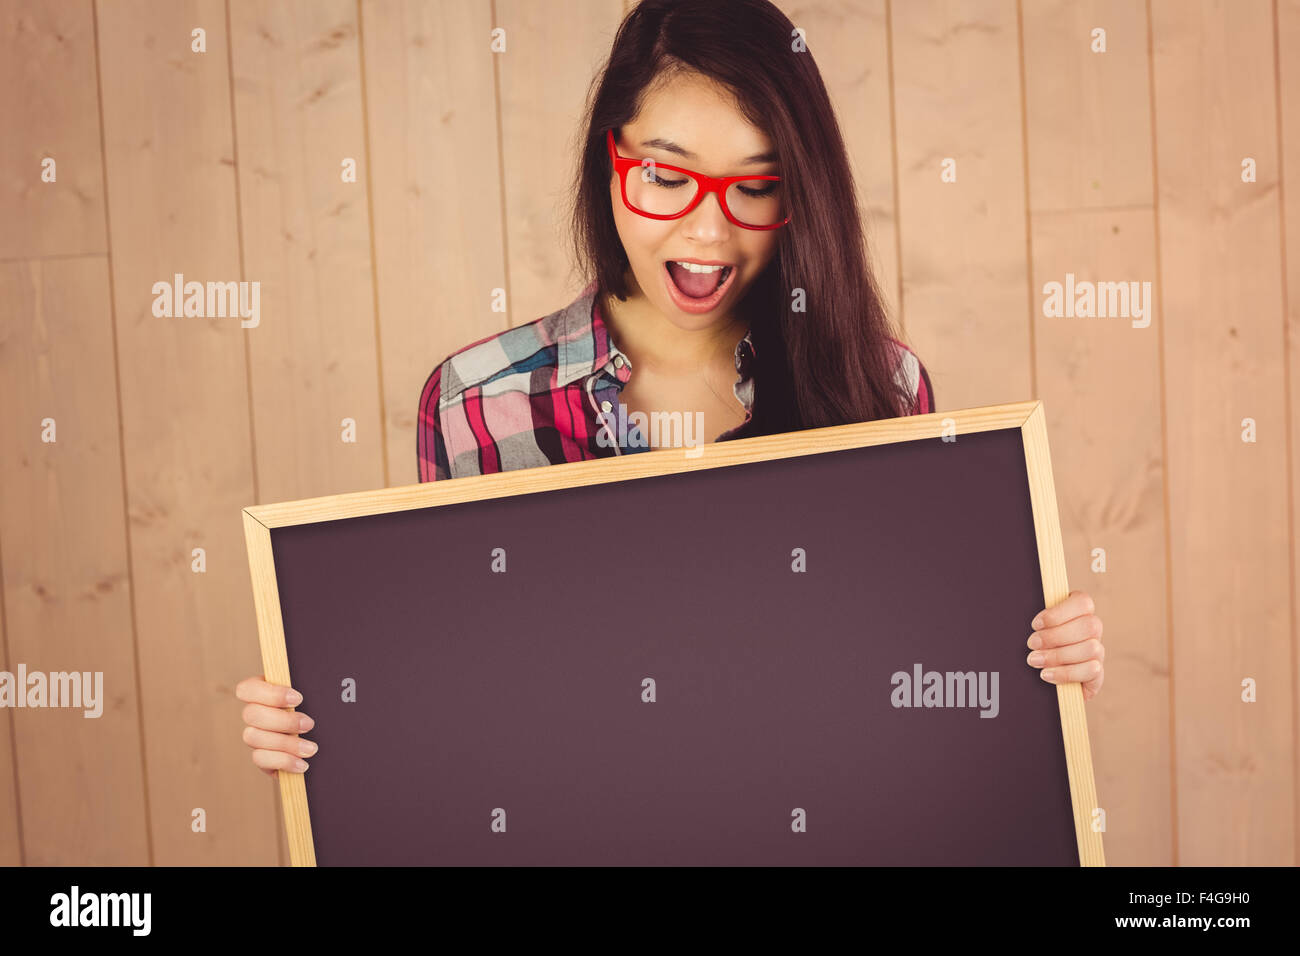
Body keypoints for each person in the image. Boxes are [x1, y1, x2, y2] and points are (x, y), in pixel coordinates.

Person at [237, 0, 1104, 776]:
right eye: (665, 173)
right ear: (608, 161)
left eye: (757, 186)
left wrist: (1035, 671)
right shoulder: (477, 405)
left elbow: (905, 690)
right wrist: (327, 718)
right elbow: (466, 702)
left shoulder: (881, 386)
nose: (707, 229)